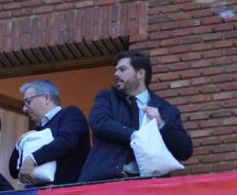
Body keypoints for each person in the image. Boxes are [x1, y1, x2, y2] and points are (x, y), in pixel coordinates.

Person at [79, 50, 192, 182]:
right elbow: (98, 122)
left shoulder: (167, 110)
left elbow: (184, 151)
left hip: (149, 187)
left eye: (122, 69)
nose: (116, 74)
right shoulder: (107, 97)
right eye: (116, 70)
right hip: (107, 182)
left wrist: (161, 125)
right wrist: (134, 135)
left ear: (140, 73)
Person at [8, 79, 90, 186]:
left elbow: (67, 141)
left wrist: (32, 159)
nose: (24, 109)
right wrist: (19, 144)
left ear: (46, 98)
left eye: (28, 101)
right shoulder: (36, 131)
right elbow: (14, 172)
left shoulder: (70, 114)